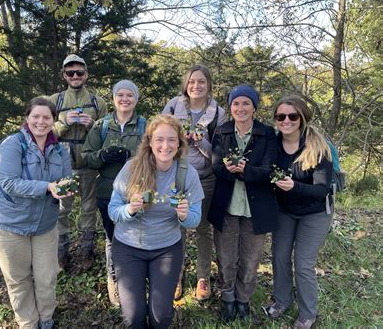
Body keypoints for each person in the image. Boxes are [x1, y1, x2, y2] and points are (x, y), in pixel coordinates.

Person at [0, 97, 72, 329]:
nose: (41, 122)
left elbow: (65, 178)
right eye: (36, 116)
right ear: (27, 118)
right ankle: (28, 323)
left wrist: (66, 187)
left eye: (47, 117)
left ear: (54, 120)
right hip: (8, 224)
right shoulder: (13, 145)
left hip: (44, 224)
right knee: (19, 279)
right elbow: (9, 183)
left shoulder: (60, 150)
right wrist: (47, 187)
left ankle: (46, 320)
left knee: (47, 277)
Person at [108, 114, 204, 328]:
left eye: (171, 140)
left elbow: (195, 220)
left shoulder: (187, 174)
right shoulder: (132, 169)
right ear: (149, 141)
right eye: (159, 139)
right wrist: (130, 209)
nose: (165, 146)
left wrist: (184, 215)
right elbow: (113, 211)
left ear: (179, 143)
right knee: (134, 317)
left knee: (161, 317)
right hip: (128, 247)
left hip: (166, 249)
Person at [208, 85, 279, 323]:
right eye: (236, 103)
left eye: (246, 103)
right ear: (230, 107)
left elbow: (269, 170)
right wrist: (228, 171)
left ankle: (243, 300)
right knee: (227, 258)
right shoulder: (222, 131)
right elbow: (216, 166)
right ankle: (228, 299)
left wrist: (247, 171)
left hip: (255, 209)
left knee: (250, 260)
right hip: (226, 206)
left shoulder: (266, 133)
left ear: (254, 107)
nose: (241, 108)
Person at [265, 95, 333, 329]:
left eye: (292, 116)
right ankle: (282, 299)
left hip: (315, 213)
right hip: (285, 210)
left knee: (302, 263)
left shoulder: (317, 146)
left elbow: (323, 190)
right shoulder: (273, 143)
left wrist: (295, 186)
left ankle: (308, 313)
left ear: (302, 118)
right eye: (280, 116)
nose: (286, 120)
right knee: (279, 256)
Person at [162, 64, 226, 301]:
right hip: (175, 176)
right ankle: (175, 276)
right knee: (175, 226)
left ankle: (202, 277)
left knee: (202, 228)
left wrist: (199, 142)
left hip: (205, 178)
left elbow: (219, 153)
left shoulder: (218, 113)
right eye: (191, 82)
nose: (196, 86)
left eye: (201, 81)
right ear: (185, 84)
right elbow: (160, 137)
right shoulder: (173, 106)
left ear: (208, 84)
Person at [82, 80, 146, 306]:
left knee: (136, 236)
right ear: (113, 98)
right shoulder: (102, 125)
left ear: (136, 99)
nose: (125, 99)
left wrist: (131, 156)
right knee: (112, 238)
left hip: (136, 192)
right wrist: (103, 155)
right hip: (107, 191)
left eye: (130, 95)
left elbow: (155, 156)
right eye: (120, 95)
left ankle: (136, 280)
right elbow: (86, 156)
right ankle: (114, 280)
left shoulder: (144, 126)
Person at [49, 54, 107, 270]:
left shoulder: (97, 102)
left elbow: (107, 134)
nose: (75, 76)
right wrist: (63, 123)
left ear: (86, 74)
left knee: (89, 208)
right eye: (70, 72)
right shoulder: (55, 101)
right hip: (62, 166)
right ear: (64, 75)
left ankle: (87, 251)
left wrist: (93, 125)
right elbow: (44, 133)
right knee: (61, 210)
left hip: (89, 165)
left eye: (79, 72)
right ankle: (61, 254)